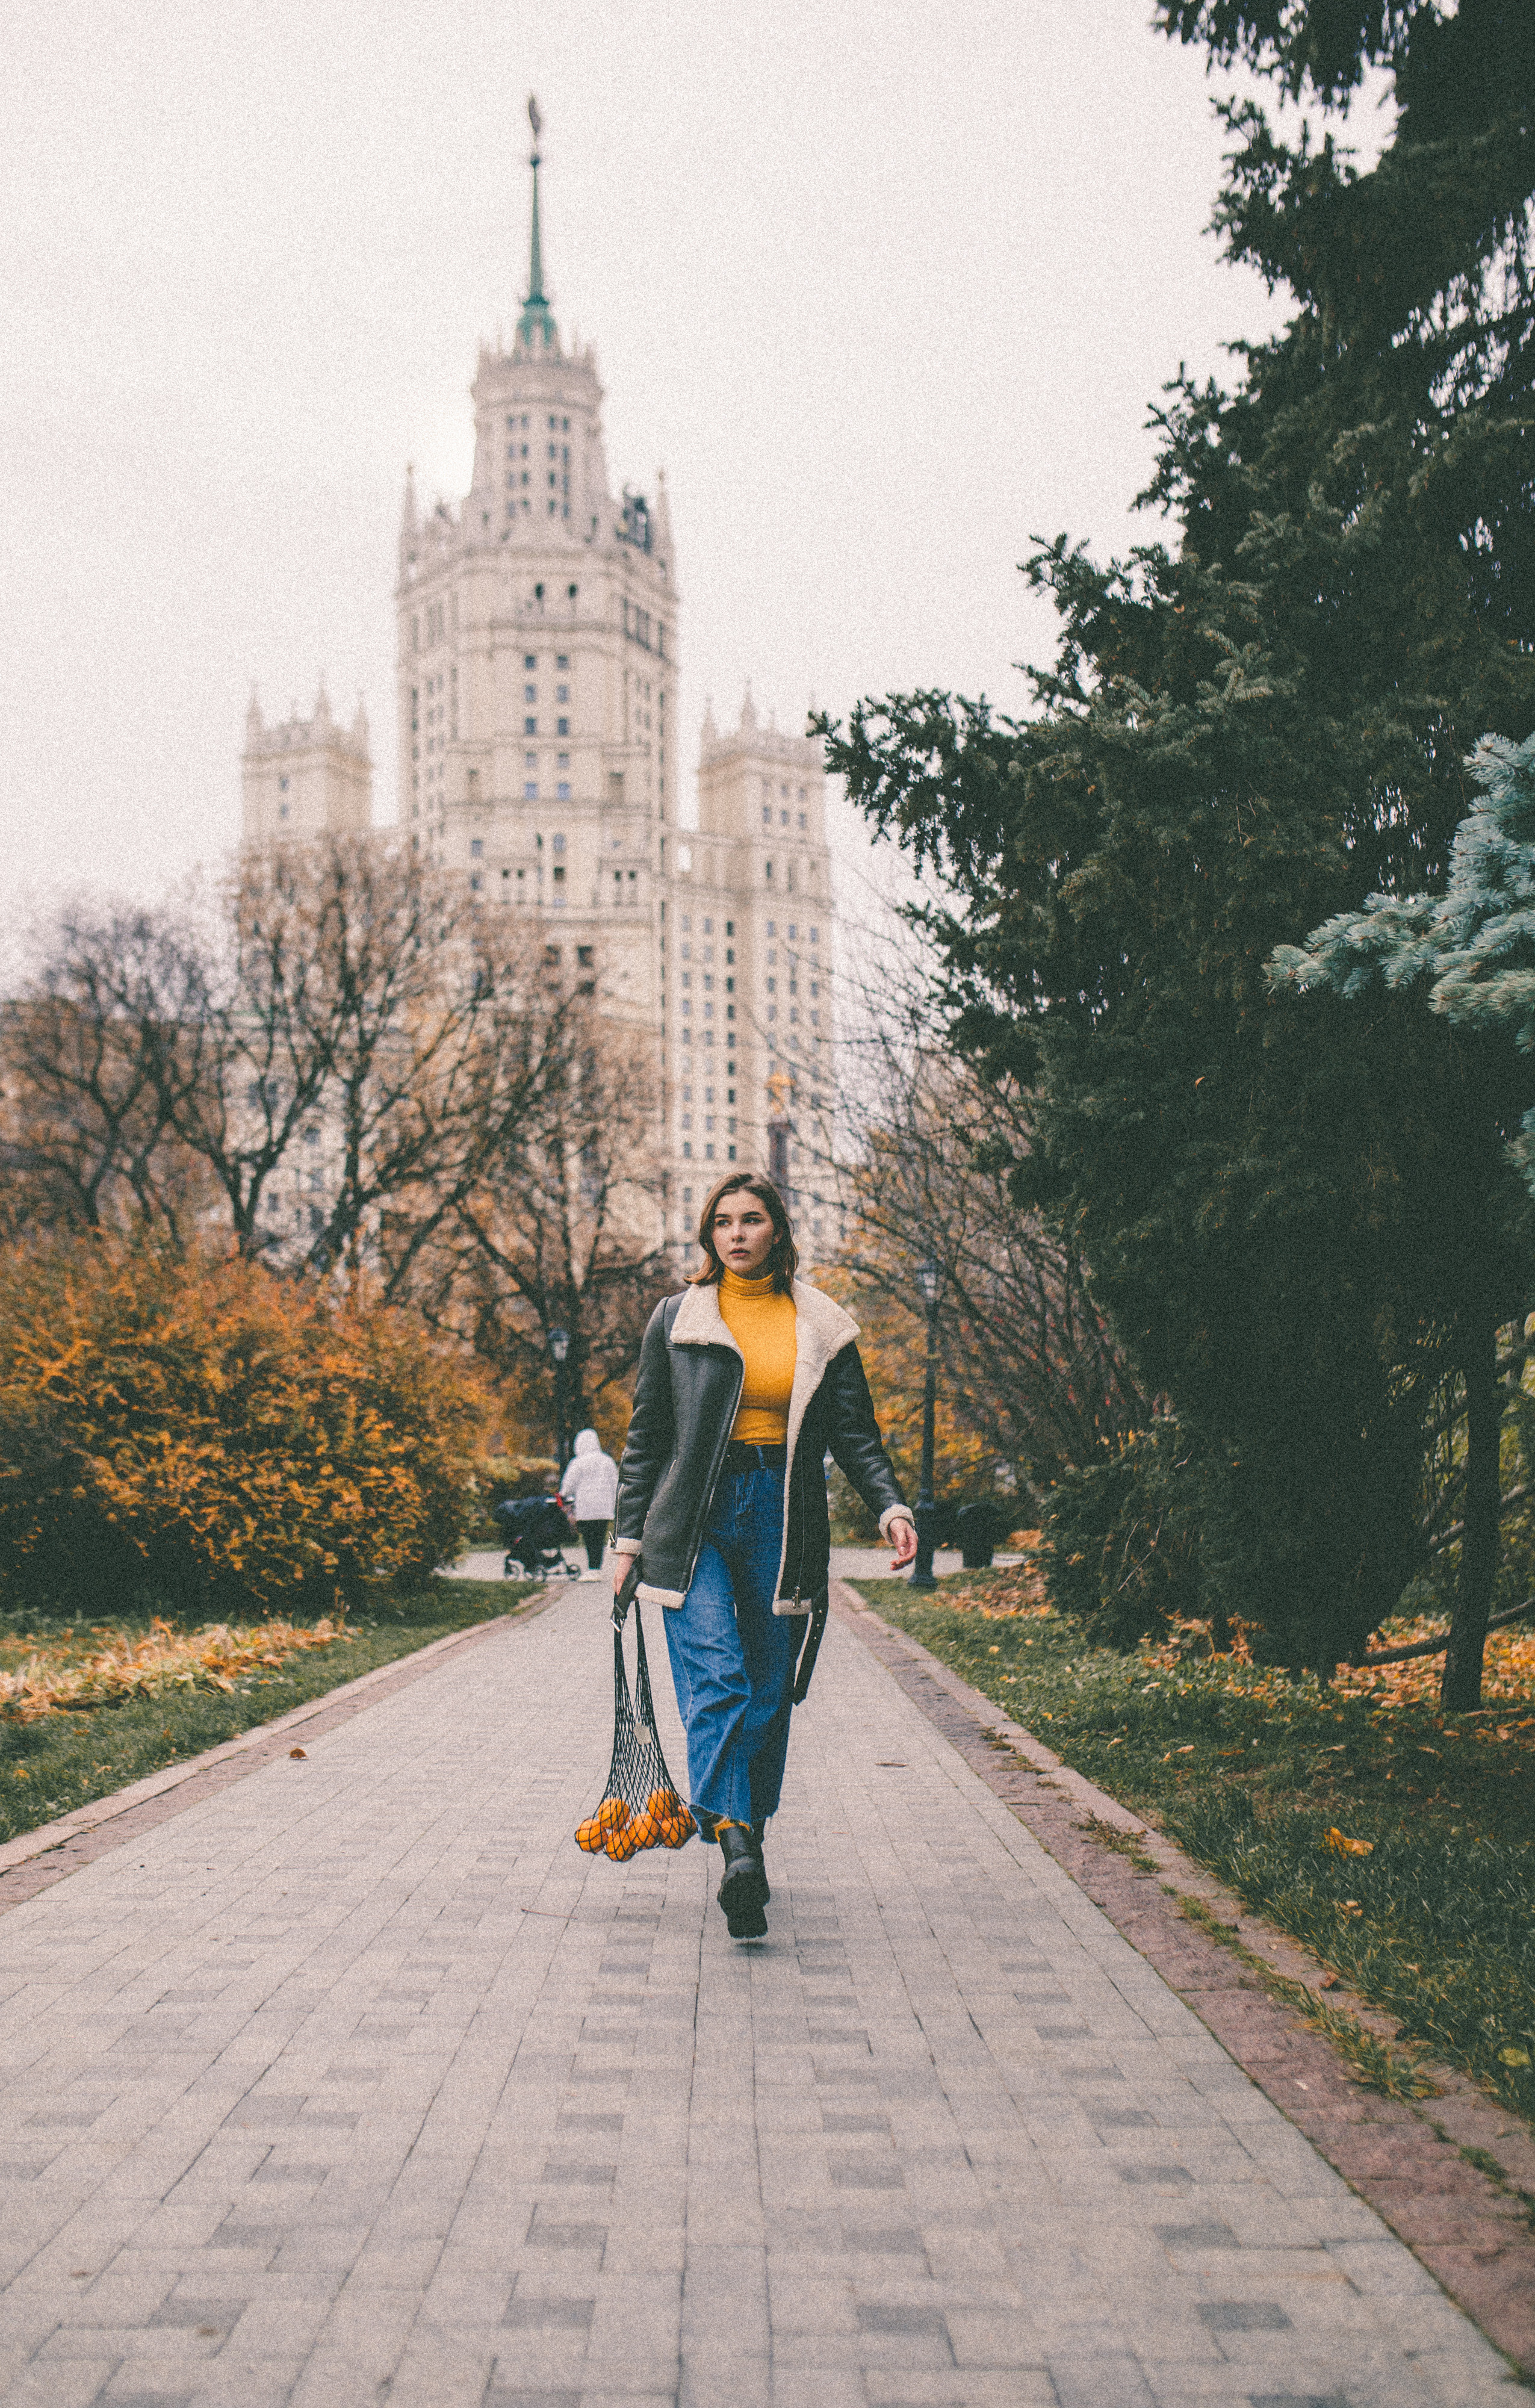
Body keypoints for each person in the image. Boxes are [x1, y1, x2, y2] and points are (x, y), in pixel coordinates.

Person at [613, 1170, 917, 1938]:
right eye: (723, 1222)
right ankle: (738, 1847)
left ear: (777, 1230)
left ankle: (744, 1830)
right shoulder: (676, 1319)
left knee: (768, 1692)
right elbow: (647, 1437)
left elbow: (855, 1433)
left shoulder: (820, 1323)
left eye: (752, 1220)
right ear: (709, 1235)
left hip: (783, 1519)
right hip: (692, 1523)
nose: (738, 1234)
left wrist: (889, 1504)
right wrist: (625, 1542)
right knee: (717, 1679)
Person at [560, 1428, 619, 1581]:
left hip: (586, 1508)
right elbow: (616, 1483)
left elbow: (568, 1485)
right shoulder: (607, 1461)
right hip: (604, 1508)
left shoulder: (578, 1463)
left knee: (589, 1537)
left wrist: (563, 1495)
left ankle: (593, 1569)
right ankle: (596, 1567)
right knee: (599, 1537)